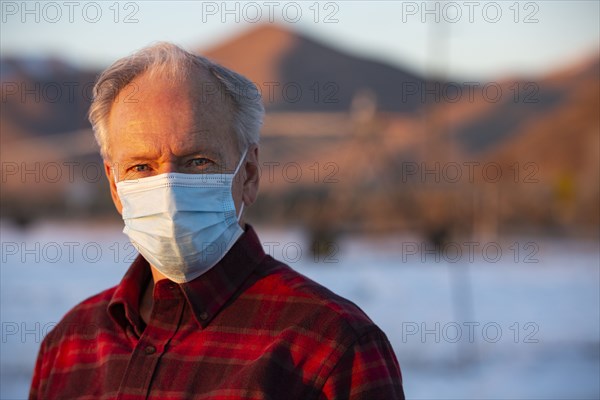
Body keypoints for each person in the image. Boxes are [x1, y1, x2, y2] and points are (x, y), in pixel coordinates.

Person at [29, 42, 405, 399]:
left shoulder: (332, 347)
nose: (169, 190)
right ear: (114, 186)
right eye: (141, 166)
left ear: (250, 174)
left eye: (198, 162)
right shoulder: (68, 346)